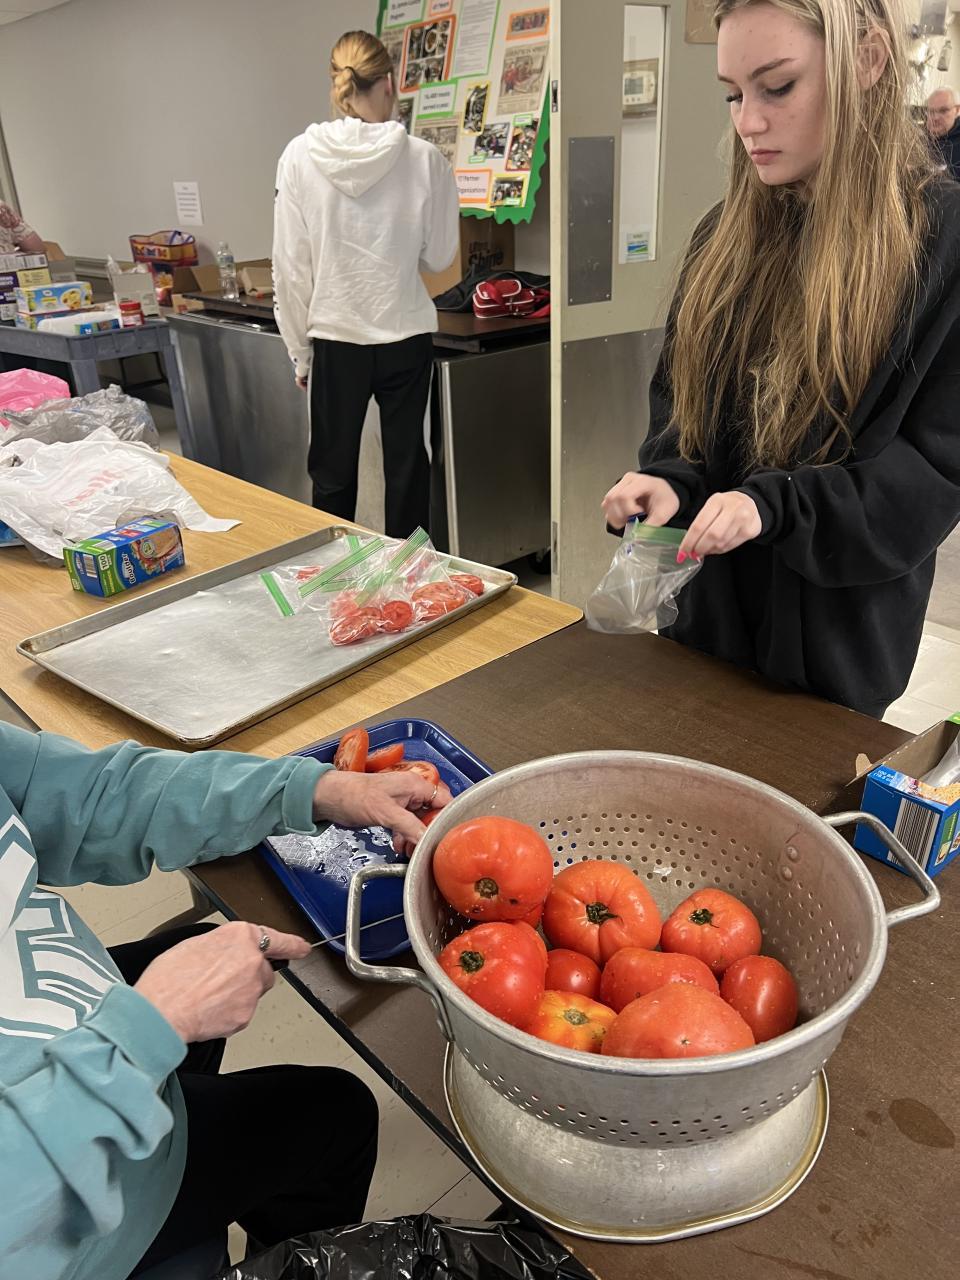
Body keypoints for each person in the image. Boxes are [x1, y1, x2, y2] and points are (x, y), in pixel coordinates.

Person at [602, 0, 960, 719]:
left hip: (834, 657)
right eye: (734, 95)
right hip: (704, 632)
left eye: (777, 86)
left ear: (866, 61)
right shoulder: (724, 238)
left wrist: (777, 507)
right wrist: (670, 481)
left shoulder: (939, 244)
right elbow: (680, 406)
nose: (749, 123)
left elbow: (931, 470)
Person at [0, 720, 448, 1278]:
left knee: (192, 948)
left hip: (62, 1043)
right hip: (49, 1221)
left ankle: (171, 1115)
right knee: (337, 1114)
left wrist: (314, 790)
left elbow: (85, 792)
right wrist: (148, 1033)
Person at [273, 30, 459, 539]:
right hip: (406, 334)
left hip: (336, 338)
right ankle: (410, 576)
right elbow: (440, 256)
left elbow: (290, 268)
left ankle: (333, 575)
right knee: (407, 468)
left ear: (338, 84)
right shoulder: (426, 159)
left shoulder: (298, 156)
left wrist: (300, 354)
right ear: (390, 83)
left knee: (332, 473)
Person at [925, 86, 960, 180]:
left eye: (943, 111)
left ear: (957, 110)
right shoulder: (920, 138)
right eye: (931, 111)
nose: (935, 117)